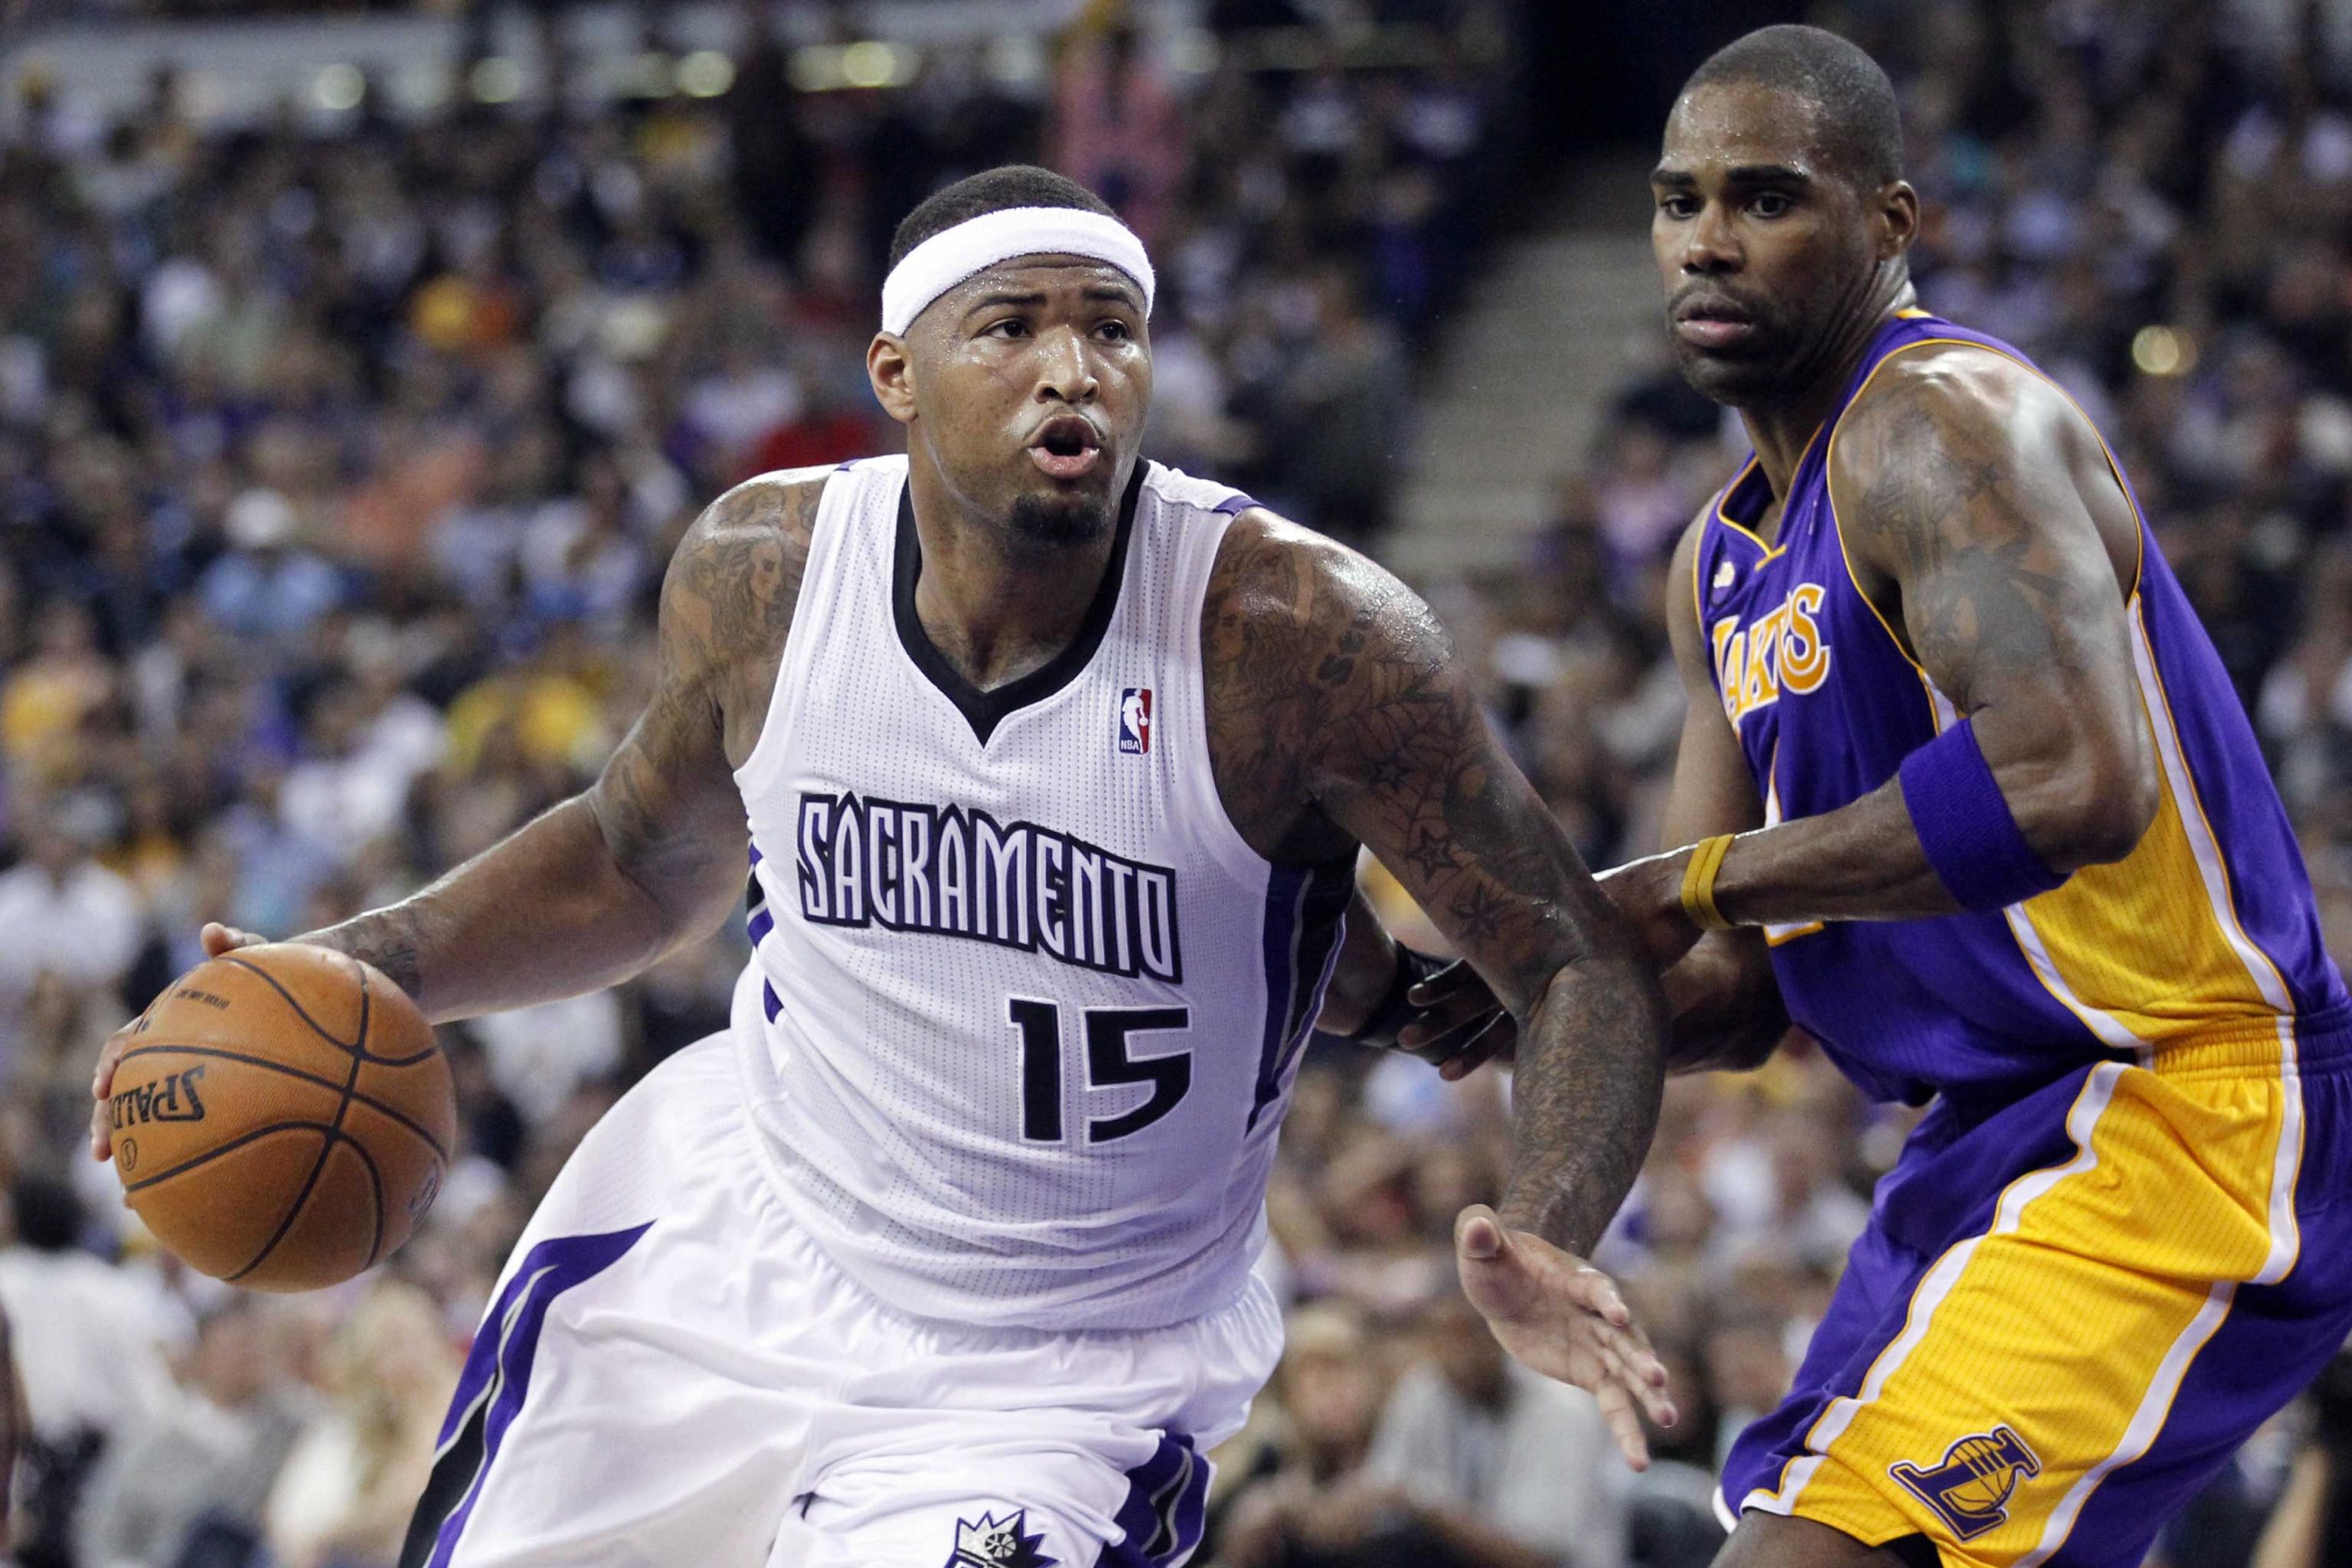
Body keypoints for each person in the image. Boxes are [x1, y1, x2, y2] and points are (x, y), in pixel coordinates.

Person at [91, 165, 1673, 1568]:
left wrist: (1548, 1219)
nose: (1076, 367)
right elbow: (639, 863)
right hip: (735, 1243)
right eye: (1015, 327)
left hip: (1044, 1376)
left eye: (1113, 329)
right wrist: (361, 965)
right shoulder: (770, 576)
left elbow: (1577, 960)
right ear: (896, 373)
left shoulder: (1300, 639)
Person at [1408, 25, 2352, 1568]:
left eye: (1766, 197)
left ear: (1889, 224)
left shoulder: (1941, 424)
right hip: (1994, 1140)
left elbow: (2070, 779)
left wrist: (1692, 881)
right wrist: (1527, 1086)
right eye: (1676, 198)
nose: (1707, 238)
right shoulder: (1710, 564)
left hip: (2189, 1095)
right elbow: (1724, 984)